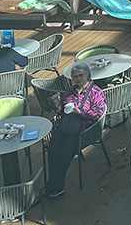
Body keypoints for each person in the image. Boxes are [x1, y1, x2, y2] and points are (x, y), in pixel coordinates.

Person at [43, 63, 106, 198]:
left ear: (87, 76)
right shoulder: (69, 92)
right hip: (65, 126)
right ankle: (52, 185)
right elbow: (63, 111)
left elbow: (98, 114)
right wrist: (58, 105)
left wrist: (80, 112)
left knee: (65, 155)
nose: (78, 79)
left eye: (81, 76)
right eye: (75, 77)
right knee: (53, 151)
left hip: (84, 130)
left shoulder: (96, 92)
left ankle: (54, 187)